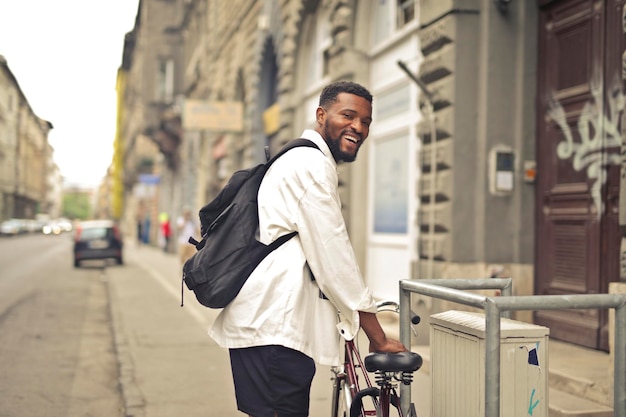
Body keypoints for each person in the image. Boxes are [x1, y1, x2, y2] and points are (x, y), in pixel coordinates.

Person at [209, 81, 407, 417]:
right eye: (348, 115)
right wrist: (377, 335)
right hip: (272, 330)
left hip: (268, 328)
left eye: (366, 121)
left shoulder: (304, 159)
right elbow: (335, 259)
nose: (358, 127)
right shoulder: (310, 166)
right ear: (321, 114)